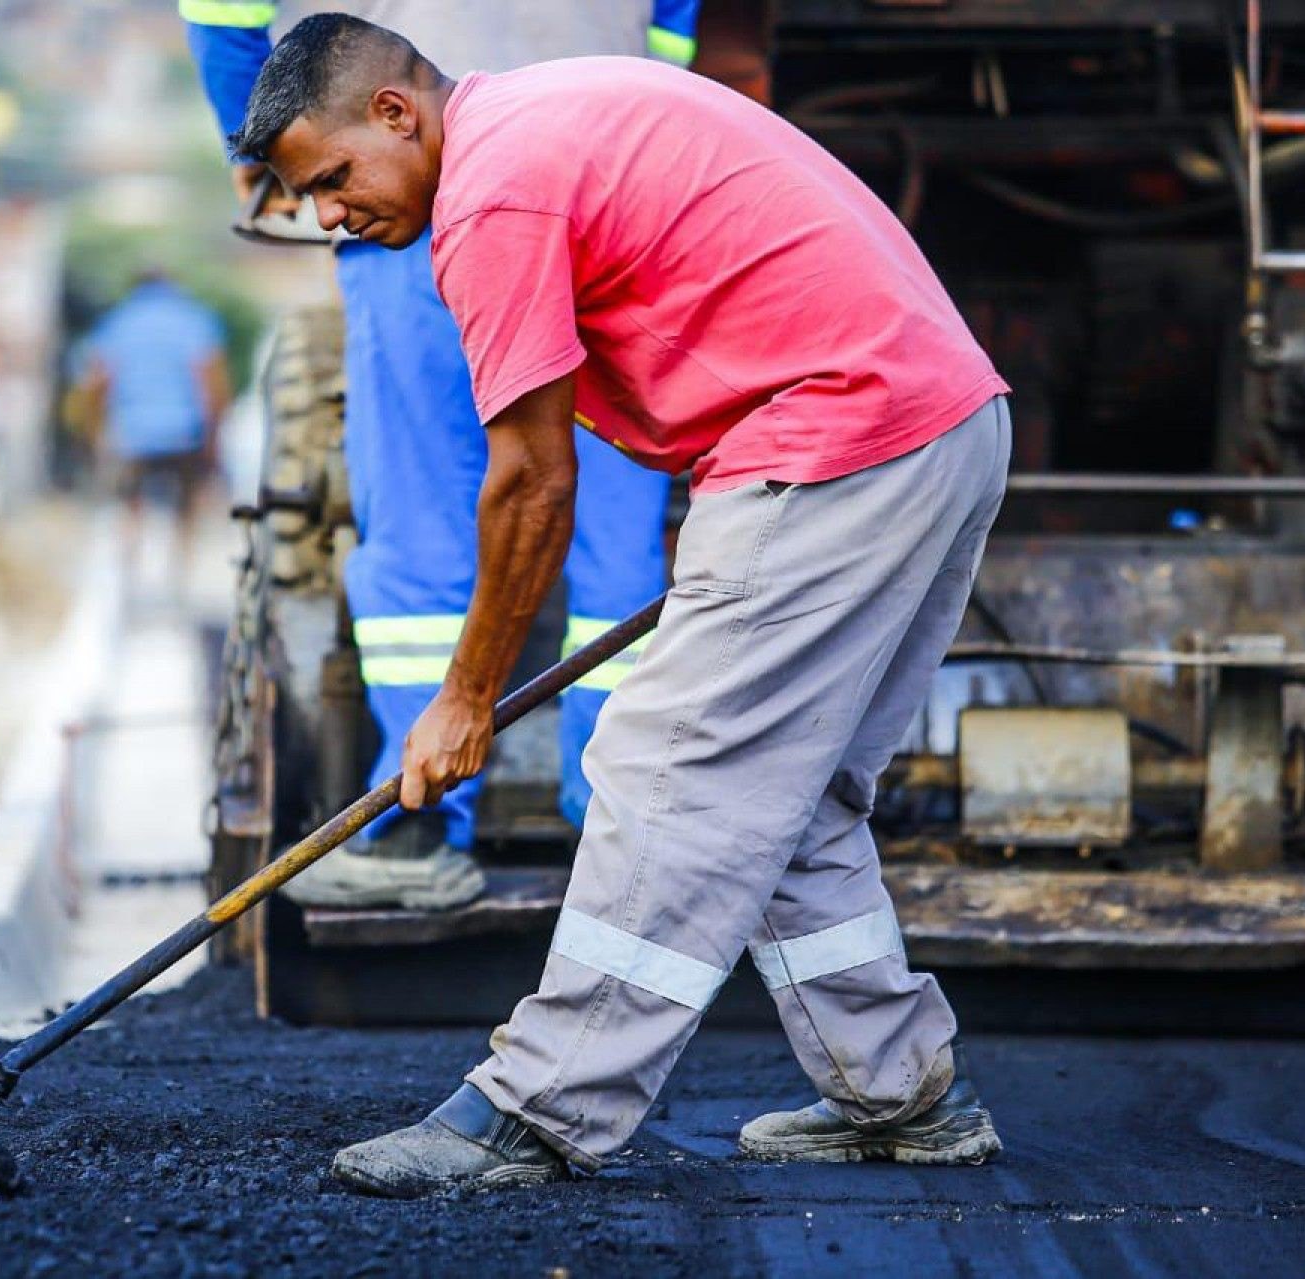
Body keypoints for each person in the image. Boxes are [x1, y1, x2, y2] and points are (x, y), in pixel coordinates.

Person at [235, 16, 1012, 1195]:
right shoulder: (546, 119)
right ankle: (900, 1092)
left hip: (835, 435)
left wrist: (464, 701)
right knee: (789, 795)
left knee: (668, 766)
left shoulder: (493, 194)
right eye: (308, 199)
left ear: (395, 113)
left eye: (335, 178)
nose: (331, 214)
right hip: (937, 423)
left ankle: (542, 1104)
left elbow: (533, 483)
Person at [186, 1, 698, 910]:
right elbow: (671, 31)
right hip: (605, 193)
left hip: (406, 187)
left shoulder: (366, 178)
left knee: (423, 523)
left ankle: (417, 824)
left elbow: (222, 11)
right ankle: (625, 826)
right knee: (615, 533)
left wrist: (259, 155)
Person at [70, 270, 229, 596]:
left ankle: (130, 580)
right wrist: (214, 435)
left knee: (131, 505)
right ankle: (178, 580)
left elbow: (99, 380)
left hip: (132, 431)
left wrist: (93, 429)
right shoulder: (193, 319)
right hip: (185, 431)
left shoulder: (119, 320)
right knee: (184, 508)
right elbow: (211, 381)